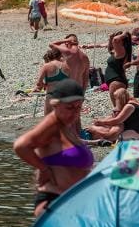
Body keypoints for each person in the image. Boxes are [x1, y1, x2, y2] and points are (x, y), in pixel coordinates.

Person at [13, 80, 93, 217]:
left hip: (68, 202)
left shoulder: (64, 125)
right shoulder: (52, 124)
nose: (74, 113)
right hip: (53, 204)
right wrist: (43, 169)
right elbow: (21, 146)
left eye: (78, 107)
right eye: (69, 108)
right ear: (55, 105)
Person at [102, 30, 132, 97]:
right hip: (115, 82)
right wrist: (110, 39)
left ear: (122, 40)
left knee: (118, 106)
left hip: (116, 82)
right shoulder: (118, 51)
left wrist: (124, 34)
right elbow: (110, 50)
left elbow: (115, 40)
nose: (114, 39)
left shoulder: (122, 50)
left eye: (118, 37)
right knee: (118, 106)